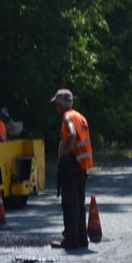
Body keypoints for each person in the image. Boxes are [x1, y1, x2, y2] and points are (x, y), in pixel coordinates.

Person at [51, 88, 93, 250]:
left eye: (57, 103)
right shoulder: (80, 117)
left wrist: (64, 156)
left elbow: (72, 135)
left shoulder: (68, 117)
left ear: (64, 103)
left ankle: (71, 239)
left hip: (72, 163)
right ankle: (82, 237)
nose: (56, 107)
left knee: (69, 203)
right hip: (82, 165)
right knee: (79, 203)